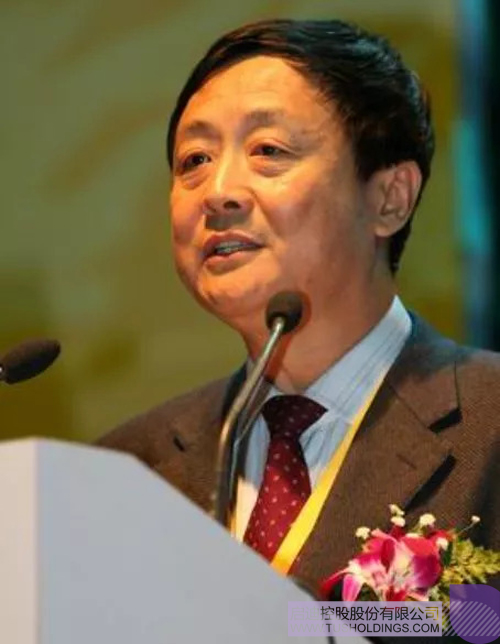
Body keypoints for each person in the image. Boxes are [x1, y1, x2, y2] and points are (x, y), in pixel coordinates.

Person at [97, 19, 500, 599]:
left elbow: (474, 621)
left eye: (268, 151)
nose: (217, 191)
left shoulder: (489, 422)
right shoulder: (127, 469)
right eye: (194, 160)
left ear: (390, 199)